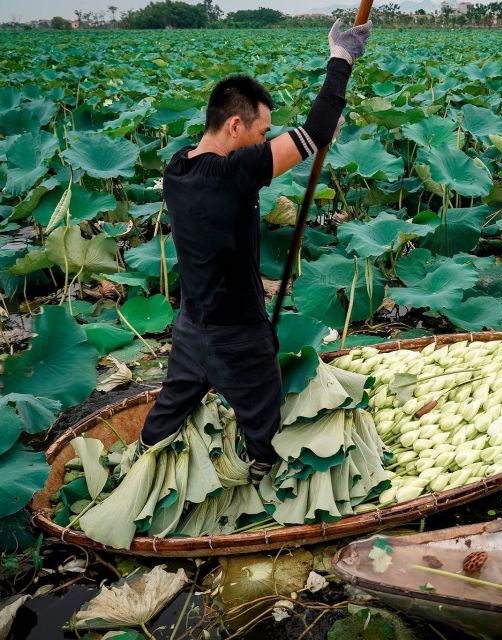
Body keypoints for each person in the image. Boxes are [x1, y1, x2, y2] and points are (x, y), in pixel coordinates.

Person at [139, 20, 373, 483]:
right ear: (233, 124)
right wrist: (340, 58)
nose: (264, 142)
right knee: (262, 415)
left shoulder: (178, 166)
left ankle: (144, 461)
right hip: (238, 332)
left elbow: (307, 138)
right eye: (261, 132)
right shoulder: (234, 172)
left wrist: (315, 137)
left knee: (170, 408)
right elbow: (316, 127)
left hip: (192, 324)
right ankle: (262, 475)